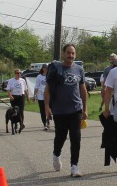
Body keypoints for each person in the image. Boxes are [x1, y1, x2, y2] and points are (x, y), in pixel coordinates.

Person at [45, 43, 88, 177]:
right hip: (59, 111)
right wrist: (47, 107)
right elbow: (47, 89)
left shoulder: (79, 69)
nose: (70, 55)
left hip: (75, 109)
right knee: (61, 137)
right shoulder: (55, 69)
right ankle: (56, 154)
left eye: (73, 53)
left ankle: (74, 166)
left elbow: (83, 90)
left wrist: (85, 109)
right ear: (64, 54)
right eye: (68, 53)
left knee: (76, 138)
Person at [33, 64, 49, 131]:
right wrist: (34, 95)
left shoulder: (49, 75)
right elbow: (36, 86)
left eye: (47, 68)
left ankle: (48, 120)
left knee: (48, 109)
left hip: (48, 95)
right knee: (42, 110)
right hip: (41, 95)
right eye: (45, 68)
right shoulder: (39, 76)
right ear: (43, 68)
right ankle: (44, 124)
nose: (46, 69)